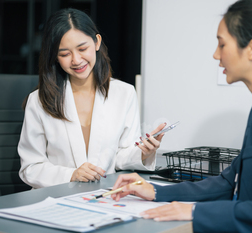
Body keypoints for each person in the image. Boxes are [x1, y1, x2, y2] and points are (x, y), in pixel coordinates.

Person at [111, 0, 252, 232]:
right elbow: (229, 182)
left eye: (222, 44)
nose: (215, 55)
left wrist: (195, 212)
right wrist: (155, 190)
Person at [18, 8, 165, 189]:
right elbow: (31, 168)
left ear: (97, 42)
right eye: (64, 54)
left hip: (104, 197)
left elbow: (121, 156)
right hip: (56, 198)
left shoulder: (124, 94)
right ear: (55, 57)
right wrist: (71, 174)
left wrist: (144, 153)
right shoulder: (39, 100)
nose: (76, 60)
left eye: (82, 49)